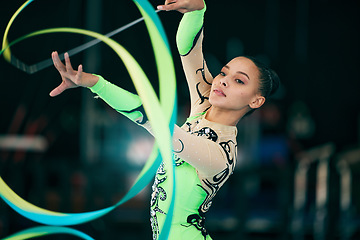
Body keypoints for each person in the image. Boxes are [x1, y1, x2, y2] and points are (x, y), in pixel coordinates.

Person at [49, 0, 280, 239]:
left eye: (239, 81)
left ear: (256, 101)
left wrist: (96, 83)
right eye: (224, 72)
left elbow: (153, 118)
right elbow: (188, 48)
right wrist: (197, 11)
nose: (223, 80)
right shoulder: (203, 105)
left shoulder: (220, 154)